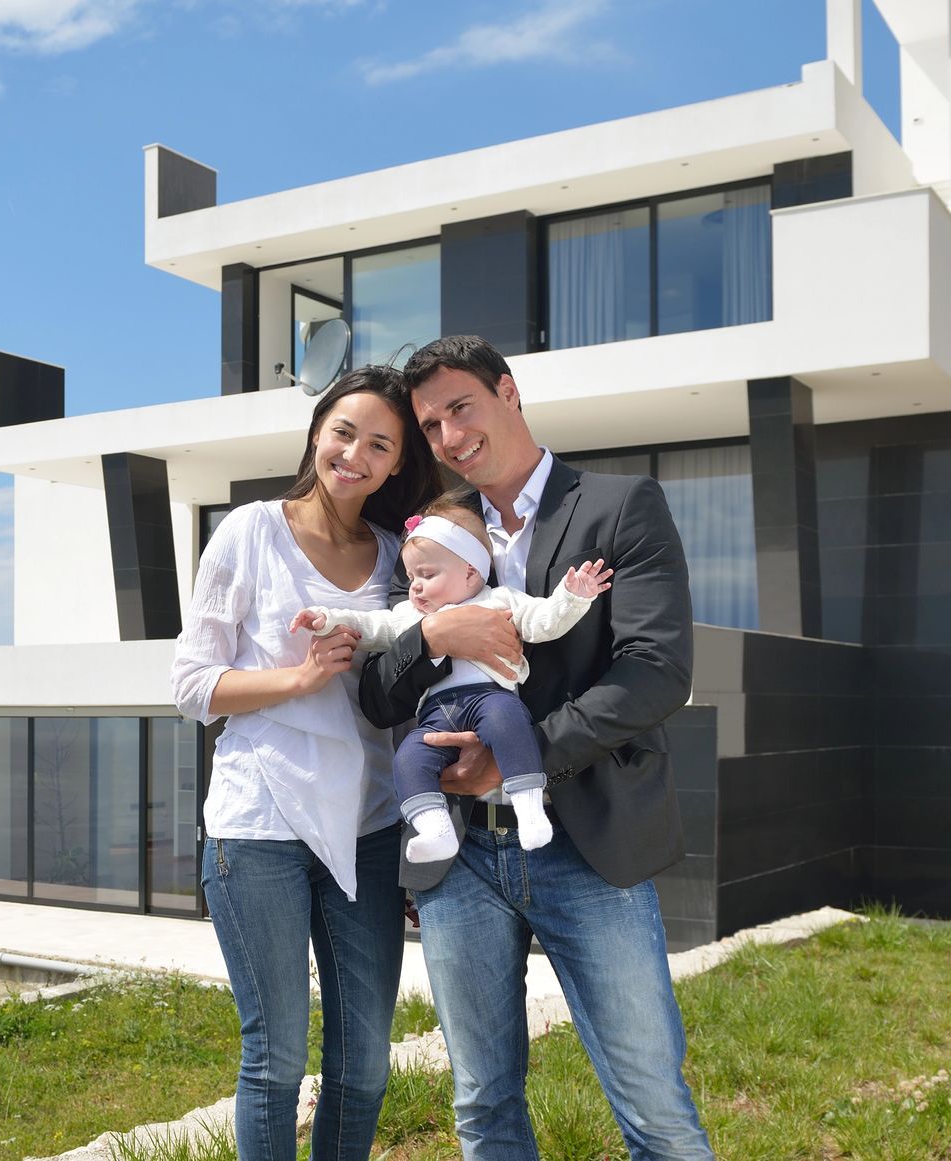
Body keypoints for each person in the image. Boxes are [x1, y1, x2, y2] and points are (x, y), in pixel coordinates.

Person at [360, 335, 713, 1160]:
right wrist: (437, 628)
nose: (448, 436)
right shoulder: (433, 536)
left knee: (655, 1107)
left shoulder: (621, 505)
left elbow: (657, 673)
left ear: (508, 392)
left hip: (586, 843)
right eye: (430, 424)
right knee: (483, 1107)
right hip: (461, 861)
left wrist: (522, 756)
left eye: (460, 408)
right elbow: (380, 693)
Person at [172, 364, 440, 1161]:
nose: (355, 453)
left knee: (364, 1068)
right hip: (259, 825)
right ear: (317, 432)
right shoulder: (250, 530)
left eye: (379, 444)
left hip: (368, 826)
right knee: (276, 1061)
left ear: (397, 464)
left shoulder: (401, 556)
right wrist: (300, 675)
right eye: (344, 432)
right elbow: (192, 685)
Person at [289, 497, 613, 863]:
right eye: (411, 578)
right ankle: (434, 829)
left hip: (491, 697)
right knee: (409, 758)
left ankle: (528, 806)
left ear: (471, 572)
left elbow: (544, 622)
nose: (414, 587)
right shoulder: (412, 616)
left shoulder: (500, 600)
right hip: (437, 714)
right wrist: (327, 619)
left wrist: (572, 596)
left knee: (510, 723)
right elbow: (372, 627)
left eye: (426, 575)